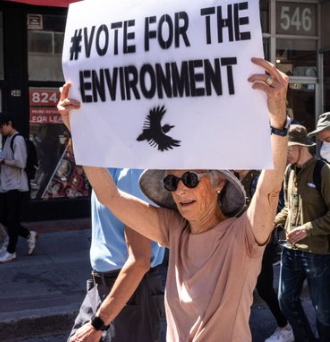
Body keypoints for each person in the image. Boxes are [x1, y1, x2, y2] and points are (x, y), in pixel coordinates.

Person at [58, 57, 289, 341]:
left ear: (218, 182)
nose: (179, 190)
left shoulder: (244, 235)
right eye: (171, 181)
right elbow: (111, 196)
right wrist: (80, 134)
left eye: (190, 179)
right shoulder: (175, 230)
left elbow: (269, 191)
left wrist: (278, 124)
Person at [67, 168, 167, 342]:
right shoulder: (107, 167)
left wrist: (98, 323)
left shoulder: (131, 172)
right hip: (104, 286)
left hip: (130, 290)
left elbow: (140, 260)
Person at [275, 124, 330, 342]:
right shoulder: (288, 171)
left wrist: (307, 229)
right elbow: (289, 207)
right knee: (285, 301)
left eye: (287, 148)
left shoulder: (323, 171)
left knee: (323, 312)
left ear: (301, 146)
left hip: (317, 253)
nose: (284, 154)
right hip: (290, 250)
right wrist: (272, 222)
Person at [235, 170, 293, 342]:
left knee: (265, 288)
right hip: (236, 241)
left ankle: (285, 327)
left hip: (261, 243)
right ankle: (237, 331)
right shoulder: (229, 177)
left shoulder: (261, 176)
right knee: (237, 289)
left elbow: (279, 206)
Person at [0, 112, 38, 263]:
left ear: (9, 123)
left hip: (16, 185)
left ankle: (11, 251)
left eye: (2, 126)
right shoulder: (8, 139)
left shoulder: (18, 139)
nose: (1, 130)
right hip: (7, 184)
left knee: (12, 219)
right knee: (4, 217)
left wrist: (2, 161)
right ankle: (29, 235)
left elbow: (20, 163)